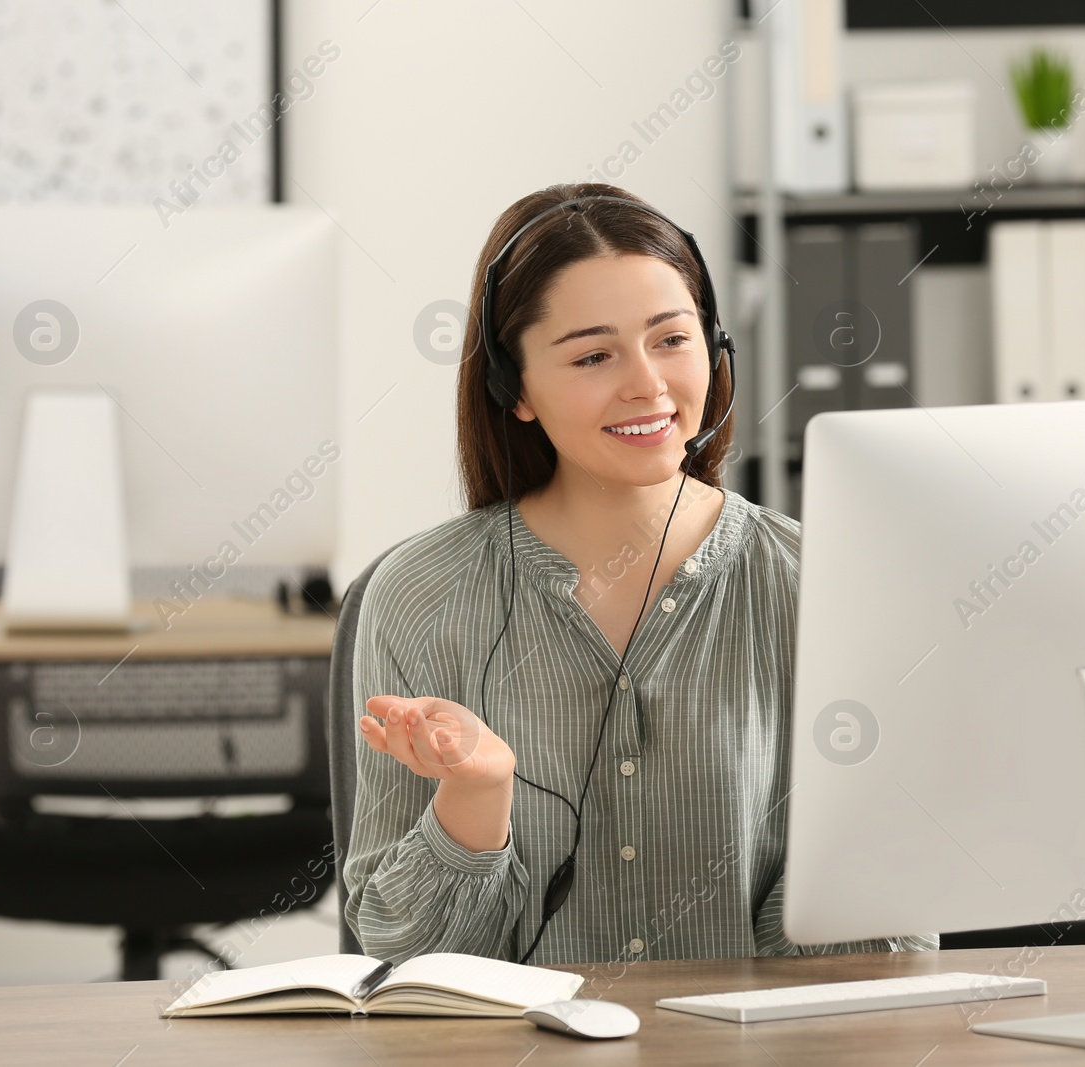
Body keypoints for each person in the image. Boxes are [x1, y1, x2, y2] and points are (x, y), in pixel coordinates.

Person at [343, 181, 938, 966]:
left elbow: (880, 945)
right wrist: (474, 796)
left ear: (716, 346)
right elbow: (399, 956)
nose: (648, 384)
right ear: (512, 387)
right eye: (594, 355)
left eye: (671, 339)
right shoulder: (422, 596)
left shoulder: (814, 584)